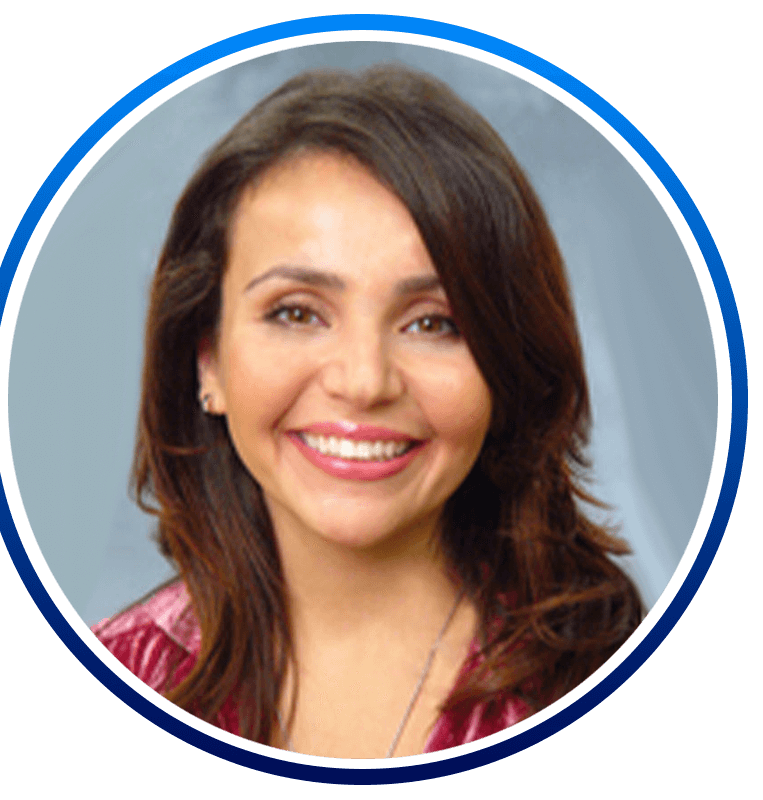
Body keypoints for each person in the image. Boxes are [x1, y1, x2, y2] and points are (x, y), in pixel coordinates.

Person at [92, 63, 643, 759]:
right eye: (296, 312)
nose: (364, 381)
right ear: (208, 362)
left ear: (506, 365)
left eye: (434, 323)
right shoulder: (125, 667)